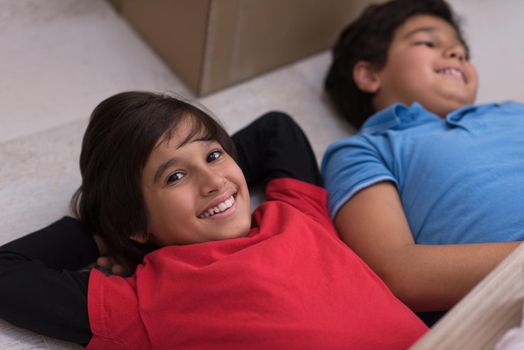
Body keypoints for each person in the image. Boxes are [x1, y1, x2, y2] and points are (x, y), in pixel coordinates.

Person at [0, 91, 427, 349]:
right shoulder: (144, 304)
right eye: (176, 176)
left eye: (214, 155)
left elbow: (275, 130)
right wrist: (105, 230)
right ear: (136, 223)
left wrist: (208, 164)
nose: (212, 181)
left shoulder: (293, 213)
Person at [321, 0, 524, 326]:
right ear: (370, 74)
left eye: (463, 52)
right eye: (428, 42)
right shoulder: (363, 150)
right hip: (505, 312)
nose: (457, 54)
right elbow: (399, 271)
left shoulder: (513, 112)